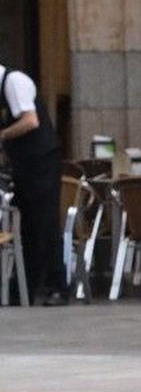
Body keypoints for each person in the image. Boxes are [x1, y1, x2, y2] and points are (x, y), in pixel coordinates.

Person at [0, 60, 68, 305]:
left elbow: (30, 121)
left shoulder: (14, 82)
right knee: (26, 225)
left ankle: (57, 286)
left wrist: (3, 135)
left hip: (41, 163)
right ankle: (23, 288)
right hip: (24, 165)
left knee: (45, 223)